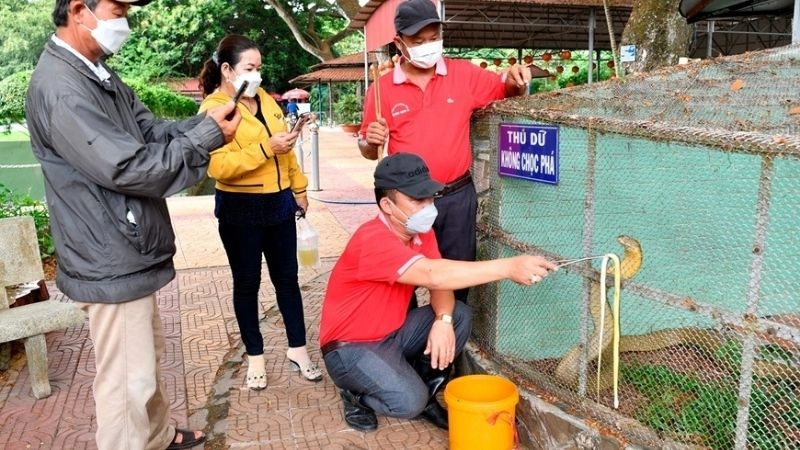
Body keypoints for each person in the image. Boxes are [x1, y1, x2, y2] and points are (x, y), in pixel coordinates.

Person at [24, 1, 240, 449]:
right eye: (117, 8)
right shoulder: (63, 88)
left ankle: (157, 436)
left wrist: (202, 124)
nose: (124, 20)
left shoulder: (95, 72)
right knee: (127, 383)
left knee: (144, 361)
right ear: (79, 10)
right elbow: (130, 167)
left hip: (123, 244)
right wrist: (205, 138)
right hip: (108, 253)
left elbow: (147, 133)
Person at [319, 153, 556, 432]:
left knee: (458, 314)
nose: (428, 207)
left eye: (430, 197)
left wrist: (443, 321)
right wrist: (509, 267)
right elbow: (434, 274)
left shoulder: (421, 232)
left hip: (394, 333)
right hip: (351, 348)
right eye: (417, 200)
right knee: (409, 404)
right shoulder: (371, 240)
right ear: (387, 205)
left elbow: (439, 285)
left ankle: (423, 390)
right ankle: (357, 395)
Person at [358, 0, 533, 305]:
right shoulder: (381, 90)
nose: (428, 46)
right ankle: (406, 331)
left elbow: (505, 89)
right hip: (407, 202)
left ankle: (451, 326)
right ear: (399, 42)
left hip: (456, 196)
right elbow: (368, 150)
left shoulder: (463, 74)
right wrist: (370, 142)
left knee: (458, 272)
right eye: (418, 41)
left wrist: (516, 79)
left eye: (434, 38)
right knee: (404, 277)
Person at [197, 35, 323, 391]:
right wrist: (266, 148)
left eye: (259, 68)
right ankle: (255, 356)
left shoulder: (266, 100)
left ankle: (298, 349)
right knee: (247, 283)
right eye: (249, 68)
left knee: (288, 280)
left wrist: (299, 189)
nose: (257, 75)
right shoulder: (214, 109)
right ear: (227, 70)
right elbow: (218, 167)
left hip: (280, 204)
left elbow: (287, 150)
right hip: (241, 210)